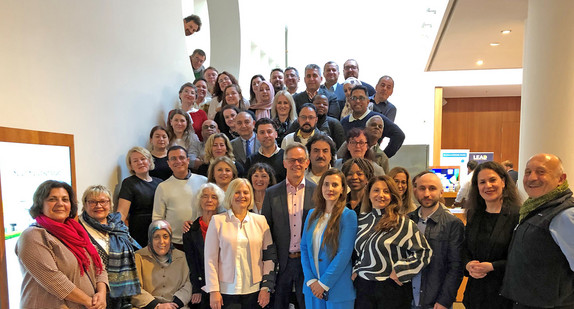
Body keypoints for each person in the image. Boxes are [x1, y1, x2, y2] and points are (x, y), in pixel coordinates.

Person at [15, 180, 108, 308]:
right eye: (52, 199)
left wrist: (102, 294)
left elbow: (98, 264)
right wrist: (89, 302)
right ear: (40, 205)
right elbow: (53, 279)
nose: (60, 204)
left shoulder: (77, 231)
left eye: (65, 199)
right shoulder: (33, 235)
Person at [501, 153, 574, 308]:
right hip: (527, 301)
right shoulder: (532, 209)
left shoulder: (565, 215)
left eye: (541, 172)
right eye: (528, 172)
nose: (532, 178)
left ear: (561, 179)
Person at [354, 176, 432, 309]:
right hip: (363, 287)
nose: (381, 195)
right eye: (376, 190)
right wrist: (357, 268)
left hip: (391, 288)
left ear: (392, 196)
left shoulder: (402, 222)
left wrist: (401, 270)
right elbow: (360, 250)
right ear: (369, 194)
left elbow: (424, 252)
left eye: (386, 191)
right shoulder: (362, 220)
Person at [204, 178, 276, 309]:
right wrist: (213, 290)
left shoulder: (261, 221)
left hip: (255, 289)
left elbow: (269, 257)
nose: (242, 196)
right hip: (226, 290)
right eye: (237, 192)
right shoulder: (217, 221)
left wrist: (266, 287)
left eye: (245, 192)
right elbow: (210, 259)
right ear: (230, 195)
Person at [262, 143, 317, 309]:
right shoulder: (272, 193)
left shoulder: (317, 192)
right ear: (284, 163)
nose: (296, 164)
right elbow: (267, 229)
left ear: (307, 163)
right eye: (292, 160)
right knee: (278, 305)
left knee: (306, 305)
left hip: (307, 262)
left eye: (300, 160)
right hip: (281, 261)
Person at [461, 161, 520, 309]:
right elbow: (465, 249)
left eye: (492, 180)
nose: (488, 185)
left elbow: (521, 259)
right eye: (482, 182)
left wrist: (492, 266)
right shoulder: (474, 215)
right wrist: (468, 264)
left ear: (503, 182)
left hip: (504, 295)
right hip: (475, 294)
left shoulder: (518, 215)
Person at [300, 169, 358, 308]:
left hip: (338, 289)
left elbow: (344, 253)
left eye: (334, 185)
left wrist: (324, 283)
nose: (329, 188)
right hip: (312, 288)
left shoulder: (348, 216)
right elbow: (304, 248)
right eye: (326, 184)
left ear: (342, 189)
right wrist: (311, 280)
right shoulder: (312, 214)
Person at [408, 172, 464, 309]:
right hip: (408, 298)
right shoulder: (407, 220)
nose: (426, 194)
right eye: (422, 188)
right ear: (415, 191)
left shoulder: (453, 224)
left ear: (441, 192)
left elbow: (456, 266)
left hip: (435, 301)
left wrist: (445, 300)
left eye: (432, 188)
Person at [80, 185, 142, 309]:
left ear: (110, 204)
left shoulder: (119, 225)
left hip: (122, 293)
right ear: (85, 204)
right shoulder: (79, 227)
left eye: (103, 201)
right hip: (94, 292)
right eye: (92, 202)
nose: (98, 206)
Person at [152, 145, 208, 249]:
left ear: (187, 160)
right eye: (173, 159)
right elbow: (157, 218)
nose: (178, 161)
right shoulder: (163, 187)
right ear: (168, 163)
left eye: (181, 158)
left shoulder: (203, 181)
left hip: (202, 238)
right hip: (175, 242)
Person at [183, 183, 226, 309]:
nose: (209, 200)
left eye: (214, 197)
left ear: (219, 201)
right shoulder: (191, 230)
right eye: (205, 196)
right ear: (199, 200)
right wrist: (197, 288)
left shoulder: (227, 225)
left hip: (227, 282)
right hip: (203, 283)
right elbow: (192, 262)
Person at [132, 220, 192, 308]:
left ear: (170, 238)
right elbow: (133, 288)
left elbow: (188, 284)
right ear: (150, 239)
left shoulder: (182, 257)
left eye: (165, 236)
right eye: (156, 237)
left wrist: (174, 304)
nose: (161, 241)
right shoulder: (138, 257)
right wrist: (157, 306)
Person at [340, 85, 405, 158]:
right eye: (354, 98)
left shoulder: (376, 119)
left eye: (361, 98)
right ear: (349, 101)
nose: (357, 101)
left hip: (371, 165)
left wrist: (383, 157)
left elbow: (399, 135)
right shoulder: (344, 122)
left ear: (368, 101)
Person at [117, 146, 163, 247]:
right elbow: (122, 212)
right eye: (135, 161)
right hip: (139, 230)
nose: (140, 162)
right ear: (131, 166)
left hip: (159, 227)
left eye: (143, 159)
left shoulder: (160, 183)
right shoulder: (128, 183)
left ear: (150, 161)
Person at [244, 117, 287, 182]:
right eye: (262, 132)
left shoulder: (286, 157)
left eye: (269, 132)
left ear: (276, 134)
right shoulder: (251, 160)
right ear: (257, 136)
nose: (266, 135)